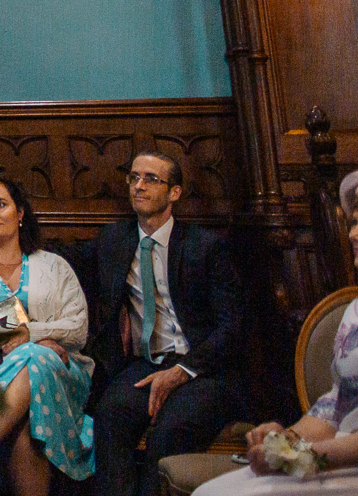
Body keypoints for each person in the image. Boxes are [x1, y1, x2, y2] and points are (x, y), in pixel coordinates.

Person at [193, 115, 358, 496]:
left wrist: (310, 457)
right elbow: (337, 403)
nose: (353, 234)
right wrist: (287, 439)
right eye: (355, 222)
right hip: (344, 457)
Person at [87, 151, 247, 496]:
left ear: (174, 192)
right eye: (133, 178)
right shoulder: (115, 240)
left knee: (171, 430)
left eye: (150, 179)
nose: (138, 186)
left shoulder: (206, 247)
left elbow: (231, 327)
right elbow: (65, 260)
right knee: (110, 415)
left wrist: (182, 372)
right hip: (146, 364)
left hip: (203, 369)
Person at [0, 175, 94, 496]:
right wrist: (39, 343)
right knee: (26, 426)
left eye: (0, 204)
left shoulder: (54, 266)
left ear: (20, 212)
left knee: (36, 358)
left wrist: (32, 335)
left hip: (61, 374)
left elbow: (77, 327)